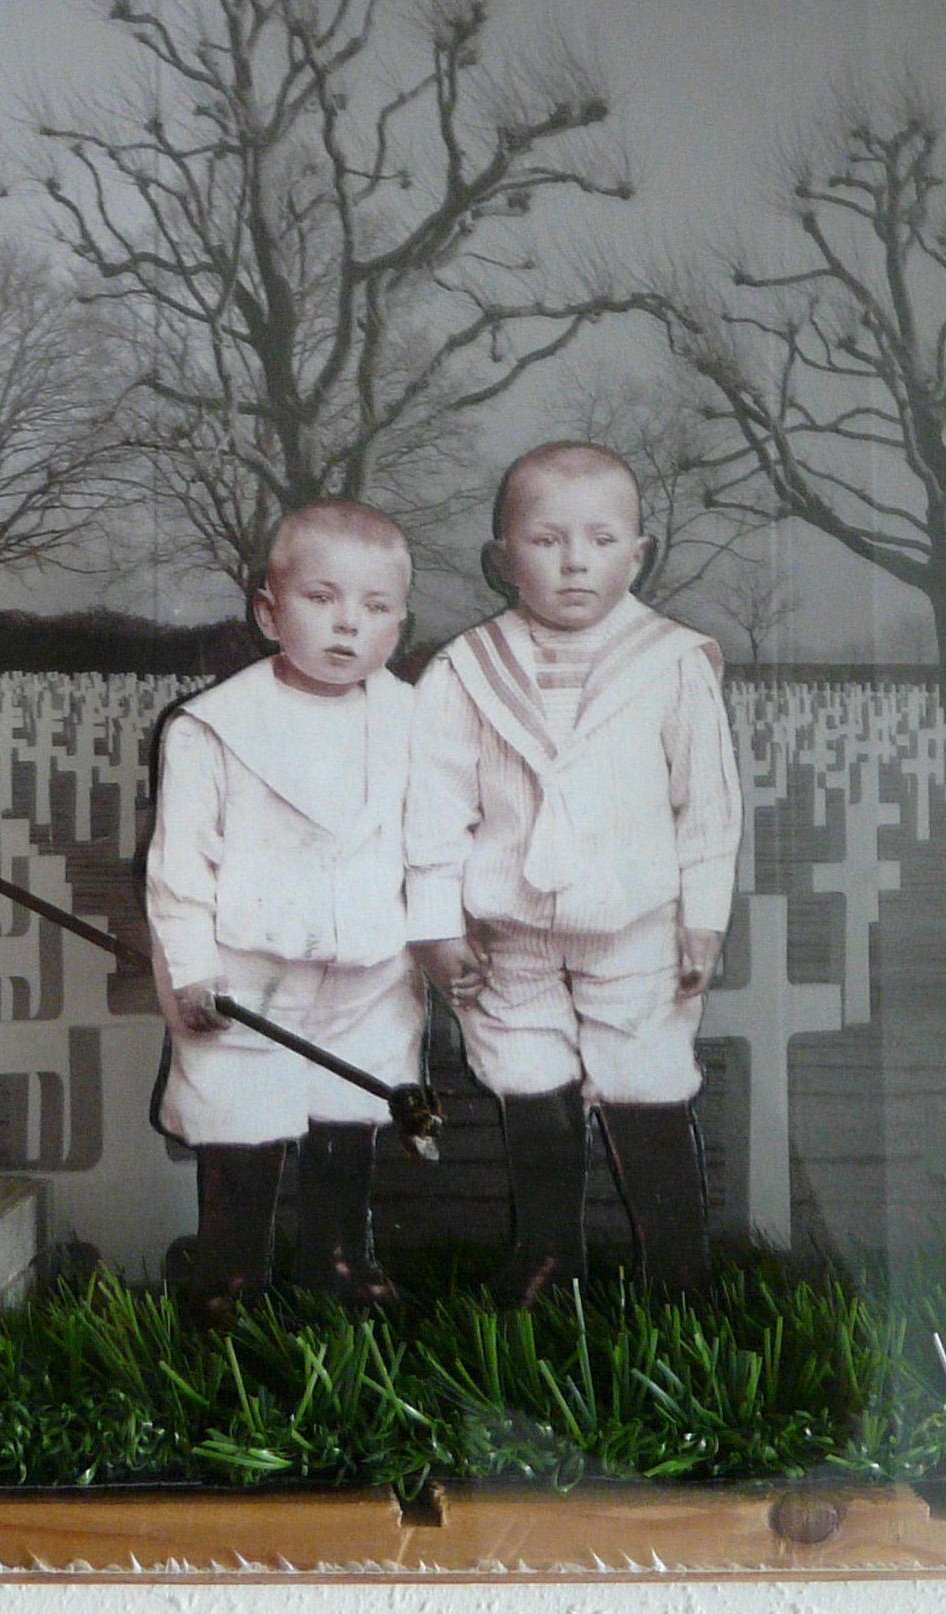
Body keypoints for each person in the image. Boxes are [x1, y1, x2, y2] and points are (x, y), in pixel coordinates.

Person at [407, 442, 741, 1303]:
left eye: (601, 539)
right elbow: (434, 809)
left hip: (632, 922)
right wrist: (436, 926)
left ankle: (677, 1269)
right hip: (509, 931)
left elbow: (706, 805)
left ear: (639, 554)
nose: (576, 562)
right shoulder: (465, 669)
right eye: (547, 540)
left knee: (645, 1078)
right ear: (502, 560)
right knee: (527, 1076)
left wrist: (704, 917)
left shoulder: (670, 662)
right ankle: (549, 1255)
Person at [143, 500, 423, 1325]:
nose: (348, 624)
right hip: (248, 970)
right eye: (321, 599)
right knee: (240, 1116)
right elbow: (180, 868)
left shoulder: (419, 722)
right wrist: (192, 970)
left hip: (371, 966)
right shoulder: (213, 728)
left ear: (400, 625)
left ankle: (339, 1257)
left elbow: (440, 843)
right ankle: (231, 1270)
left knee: (353, 1106)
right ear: (268, 613)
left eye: (375, 607)